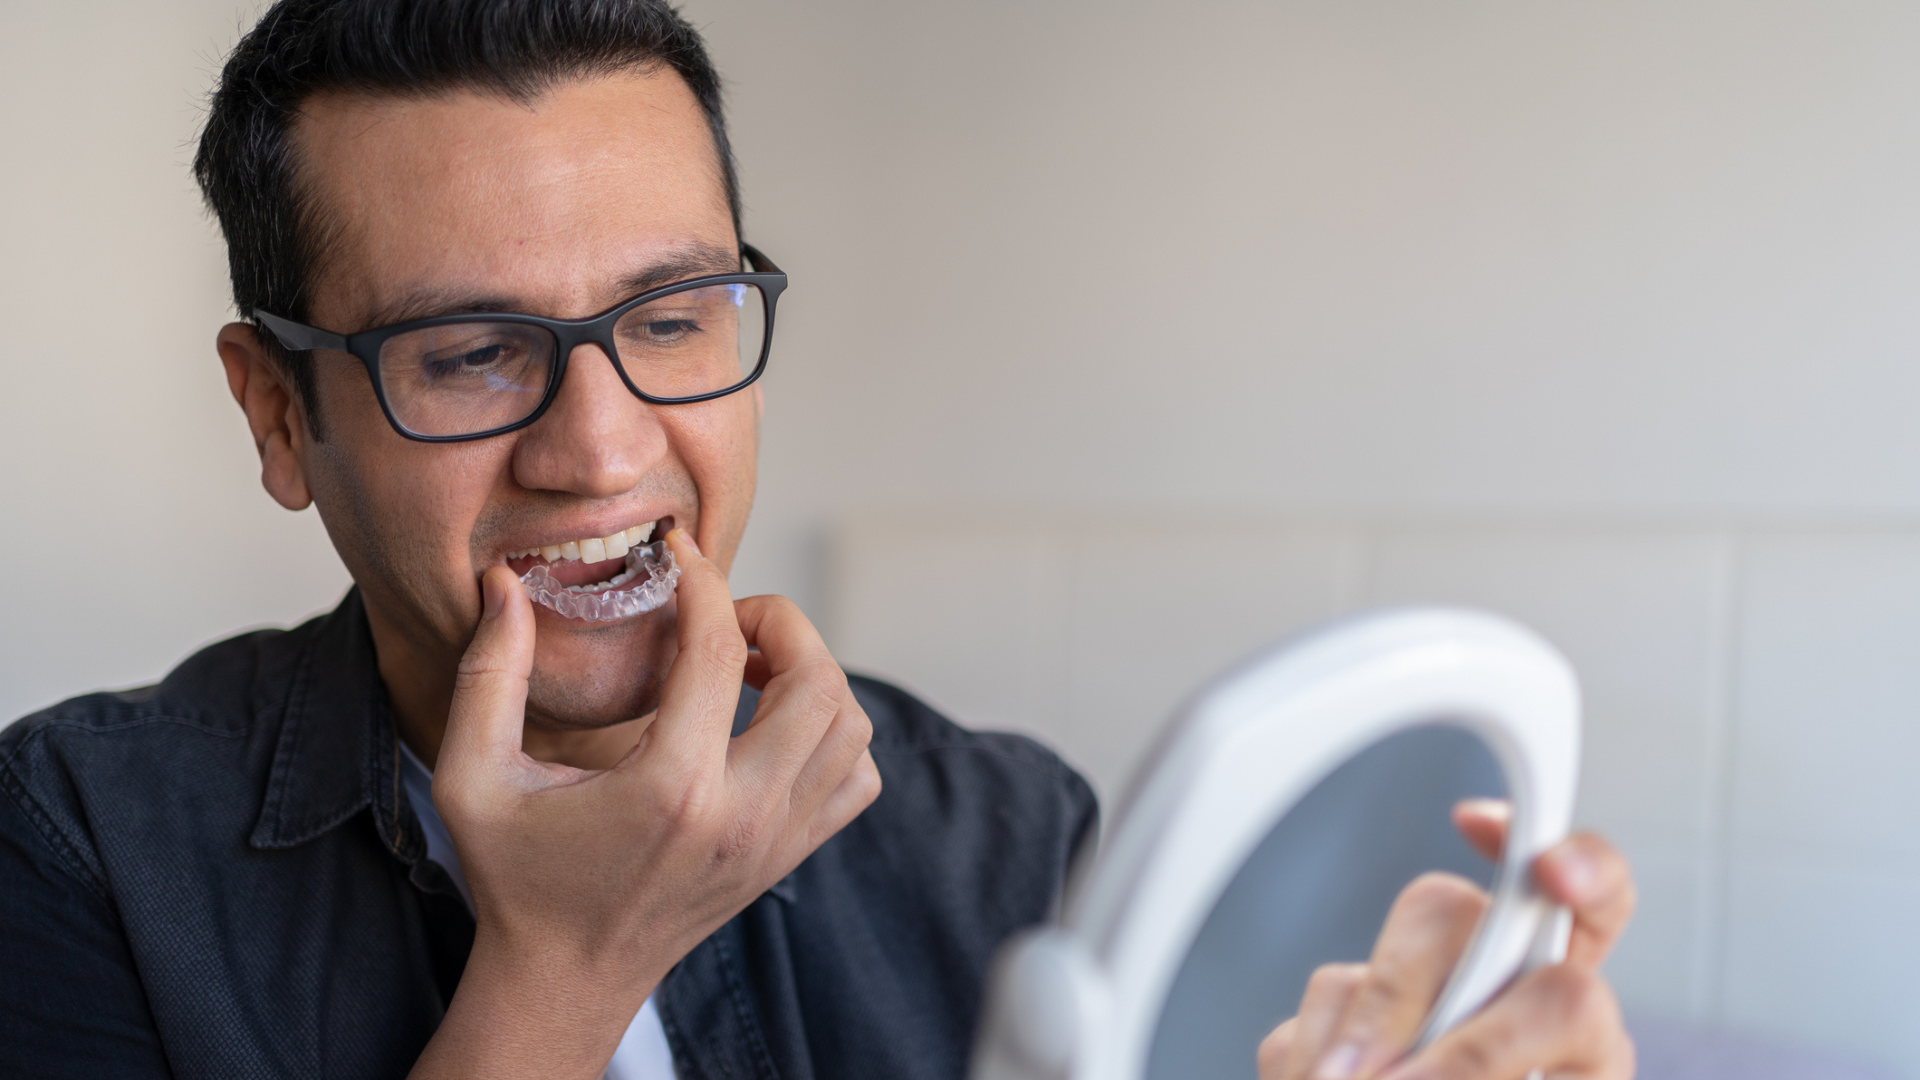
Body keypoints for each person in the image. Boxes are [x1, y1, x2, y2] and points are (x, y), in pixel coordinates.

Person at [0, 2, 1637, 1078]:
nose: (605, 447)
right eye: (471, 353)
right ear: (282, 417)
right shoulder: (76, 850)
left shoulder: (1005, 834)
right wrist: (564, 970)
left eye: (674, 315)